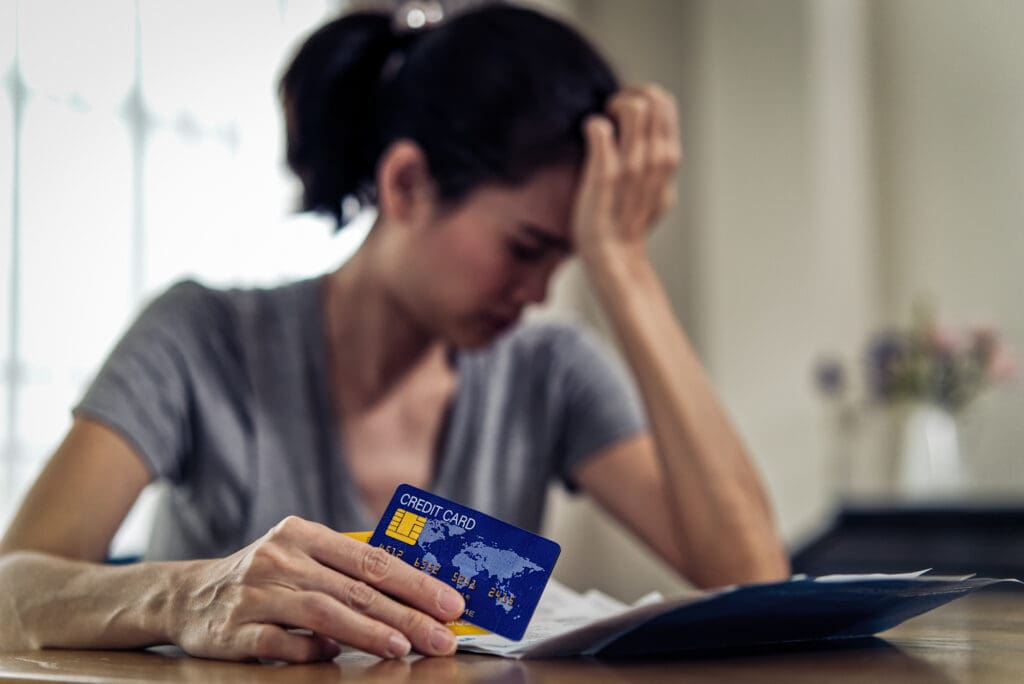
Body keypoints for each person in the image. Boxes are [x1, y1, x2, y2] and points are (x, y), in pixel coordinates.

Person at [0, 1, 788, 663]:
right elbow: (11, 588)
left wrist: (624, 267)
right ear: (407, 184)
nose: (541, 292)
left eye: (569, 259)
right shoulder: (202, 338)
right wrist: (185, 593)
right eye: (525, 248)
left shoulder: (550, 369)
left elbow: (753, 577)